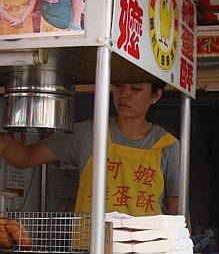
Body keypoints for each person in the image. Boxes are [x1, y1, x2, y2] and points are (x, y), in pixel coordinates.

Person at [0, 80, 180, 216]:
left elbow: (177, 208)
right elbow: (25, 157)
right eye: (118, 86)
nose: (124, 94)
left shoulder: (167, 145)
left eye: (136, 88)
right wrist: (4, 143)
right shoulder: (89, 133)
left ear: (155, 95)